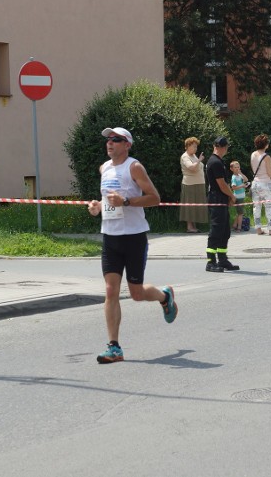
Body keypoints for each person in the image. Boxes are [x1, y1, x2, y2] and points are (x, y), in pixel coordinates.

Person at [87, 127, 177, 364]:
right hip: (110, 236)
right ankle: (114, 347)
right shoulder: (104, 168)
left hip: (134, 236)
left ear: (127, 144)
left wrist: (126, 201)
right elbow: (108, 202)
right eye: (108, 139)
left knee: (136, 293)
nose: (110, 143)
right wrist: (97, 208)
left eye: (116, 139)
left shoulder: (134, 167)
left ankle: (164, 297)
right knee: (110, 291)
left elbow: (155, 198)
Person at [205, 136, 240, 272]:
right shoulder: (215, 162)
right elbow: (221, 184)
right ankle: (211, 261)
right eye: (225, 147)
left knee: (225, 231)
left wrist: (228, 198)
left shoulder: (217, 161)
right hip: (217, 199)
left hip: (220, 199)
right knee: (216, 230)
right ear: (223, 147)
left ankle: (222, 259)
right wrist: (232, 196)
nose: (225, 150)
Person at [250, 134, 271, 235]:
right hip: (265, 182)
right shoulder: (267, 157)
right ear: (266, 145)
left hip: (255, 183)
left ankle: (258, 228)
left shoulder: (253, 154)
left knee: (256, 206)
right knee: (269, 206)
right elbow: (269, 173)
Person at [179, 137, 206, 233]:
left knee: (196, 204)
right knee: (190, 205)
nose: (196, 148)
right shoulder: (185, 156)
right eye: (194, 146)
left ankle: (194, 226)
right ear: (187, 146)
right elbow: (192, 168)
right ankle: (189, 227)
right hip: (189, 184)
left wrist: (198, 160)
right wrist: (199, 160)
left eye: (196, 147)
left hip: (199, 183)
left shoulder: (193, 155)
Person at [230, 160, 249, 232]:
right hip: (238, 196)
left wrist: (241, 173)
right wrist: (242, 186)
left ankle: (234, 225)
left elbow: (246, 179)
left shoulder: (239, 175)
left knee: (239, 212)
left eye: (238, 167)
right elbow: (233, 187)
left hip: (242, 196)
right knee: (241, 213)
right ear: (232, 169)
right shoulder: (234, 177)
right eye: (235, 167)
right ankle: (239, 227)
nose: (237, 168)